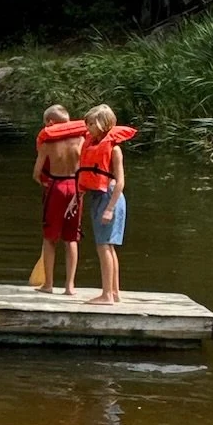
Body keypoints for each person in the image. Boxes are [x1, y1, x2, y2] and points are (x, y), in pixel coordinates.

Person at [79, 105, 135, 305]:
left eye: (92, 124)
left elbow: (120, 181)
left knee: (104, 247)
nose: (89, 128)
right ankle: (114, 292)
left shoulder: (114, 150)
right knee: (108, 247)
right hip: (99, 196)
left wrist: (110, 209)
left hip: (110, 197)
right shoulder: (93, 144)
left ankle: (107, 295)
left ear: (104, 124)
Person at [33, 104, 87, 295]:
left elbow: (36, 173)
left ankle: (48, 285)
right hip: (75, 187)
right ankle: (70, 286)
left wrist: (44, 184)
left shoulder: (48, 143)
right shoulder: (81, 140)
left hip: (56, 187)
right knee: (72, 239)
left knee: (49, 238)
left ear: (50, 122)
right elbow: (85, 168)